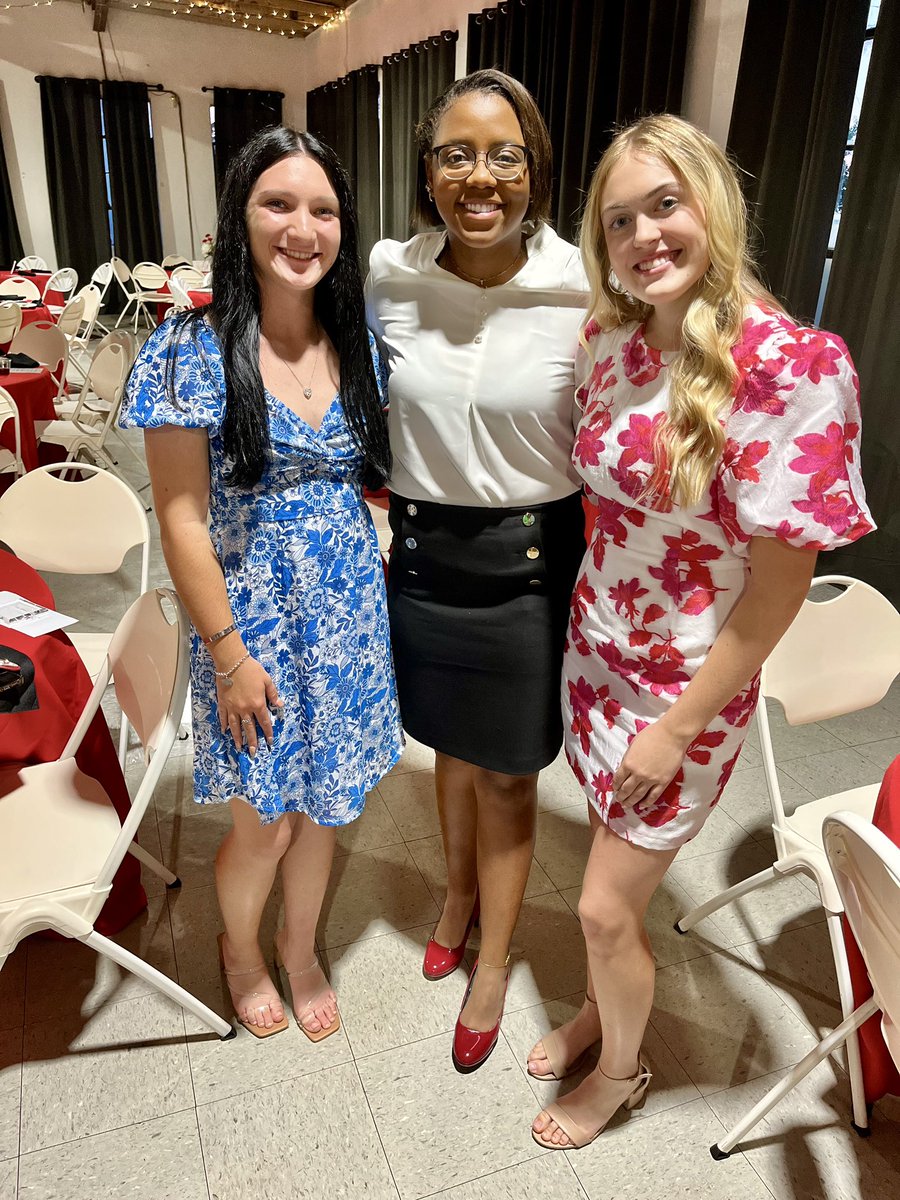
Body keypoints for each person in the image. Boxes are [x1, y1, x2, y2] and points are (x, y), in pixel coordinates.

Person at [529, 113, 874, 1147]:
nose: (644, 236)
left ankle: (625, 1072)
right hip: (595, 659)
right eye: (620, 220)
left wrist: (676, 727)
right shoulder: (611, 343)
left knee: (598, 906)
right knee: (606, 866)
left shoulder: (793, 369)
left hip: (688, 695)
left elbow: (772, 597)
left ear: (713, 205)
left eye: (664, 205)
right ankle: (602, 1004)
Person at [120, 126, 402, 1041]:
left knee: (327, 809)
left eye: (323, 210)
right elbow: (180, 519)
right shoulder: (189, 347)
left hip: (349, 613)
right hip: (252, 624)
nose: (302, 228)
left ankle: (301, 944)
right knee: (263, 824)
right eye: (277, 204)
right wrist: (230, 655)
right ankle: (241, 952)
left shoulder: (354, 341)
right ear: (237, 220)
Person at [366, 69, 587, 1073]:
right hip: (419, 562)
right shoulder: (387, 273)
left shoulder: (585, 286)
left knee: (506, 778)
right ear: (427, 169)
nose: (480, 176)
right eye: (457, 152)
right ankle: (456, 894)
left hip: (531, 570)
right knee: (448, 755)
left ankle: (495, 959)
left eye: (505, 154)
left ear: (535, 169)